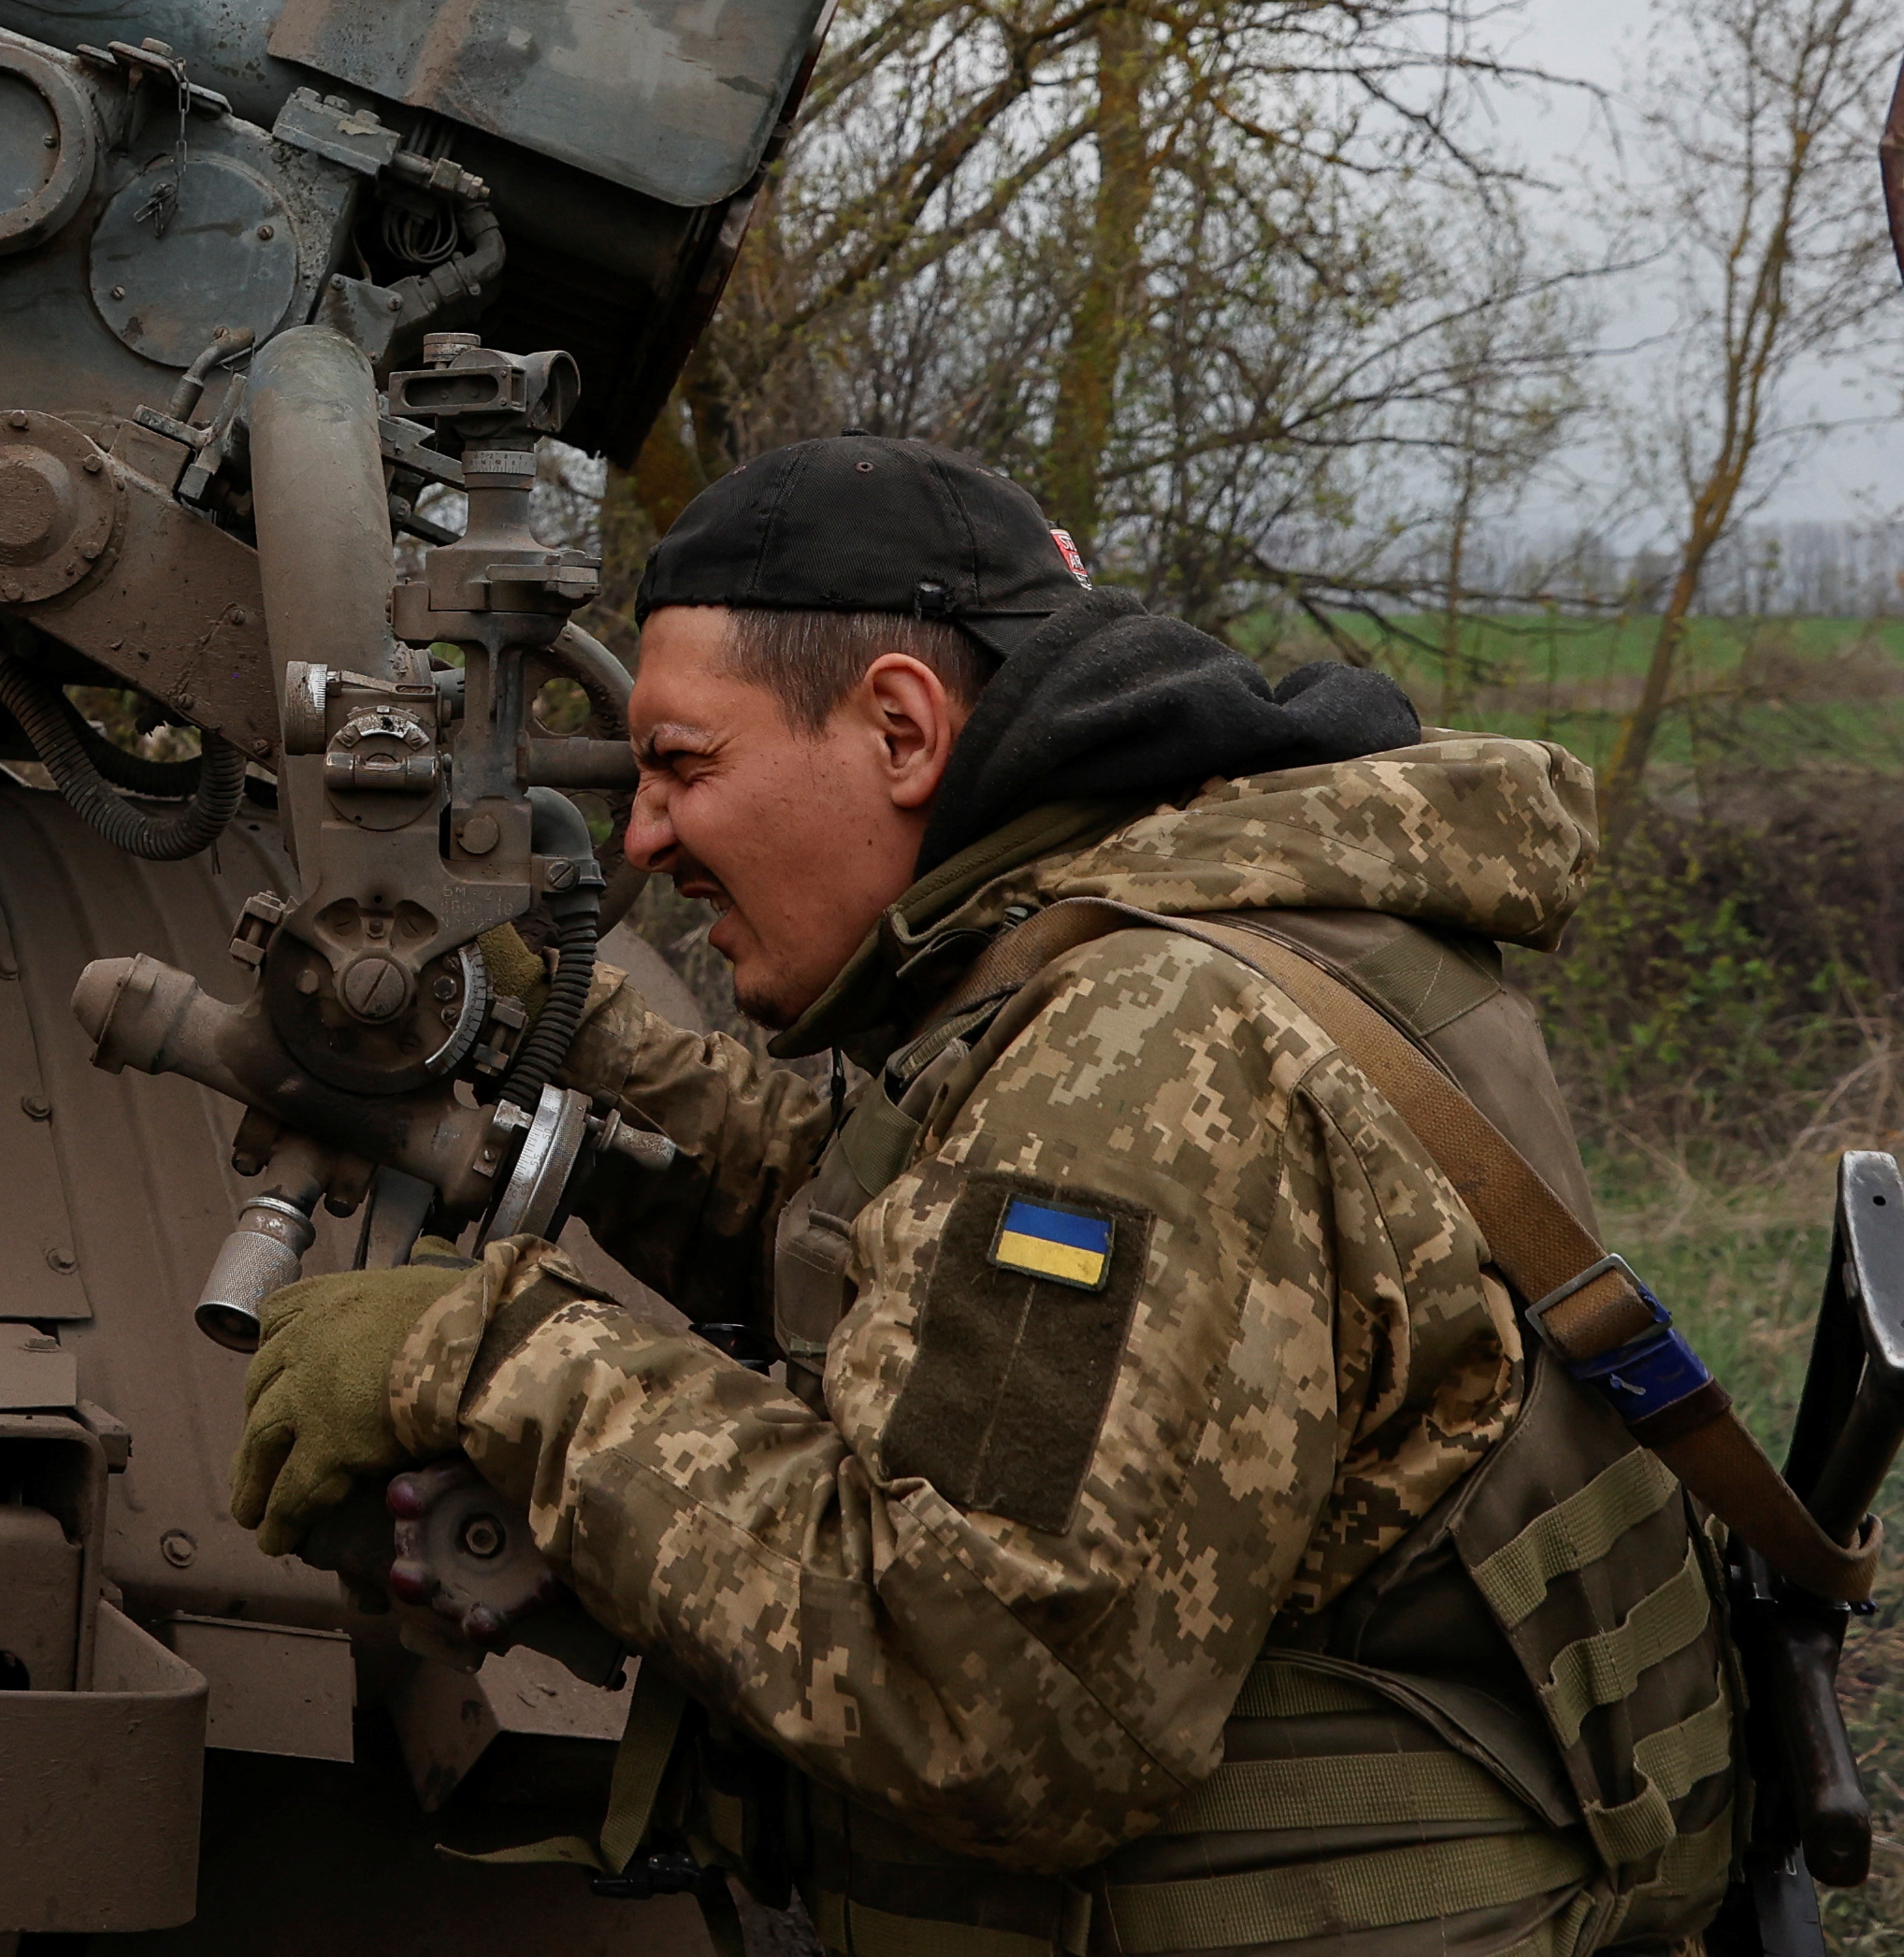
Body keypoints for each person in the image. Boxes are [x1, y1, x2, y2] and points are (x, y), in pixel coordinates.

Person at [227, 434, 1743, 1955]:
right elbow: (907, 1228)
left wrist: (486, 1356)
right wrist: (575, 1043)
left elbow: (983, 1695)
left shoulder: (1145, 1052)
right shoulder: (1192, 922)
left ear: (900, 730)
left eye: (686, 766)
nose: (640, 836)